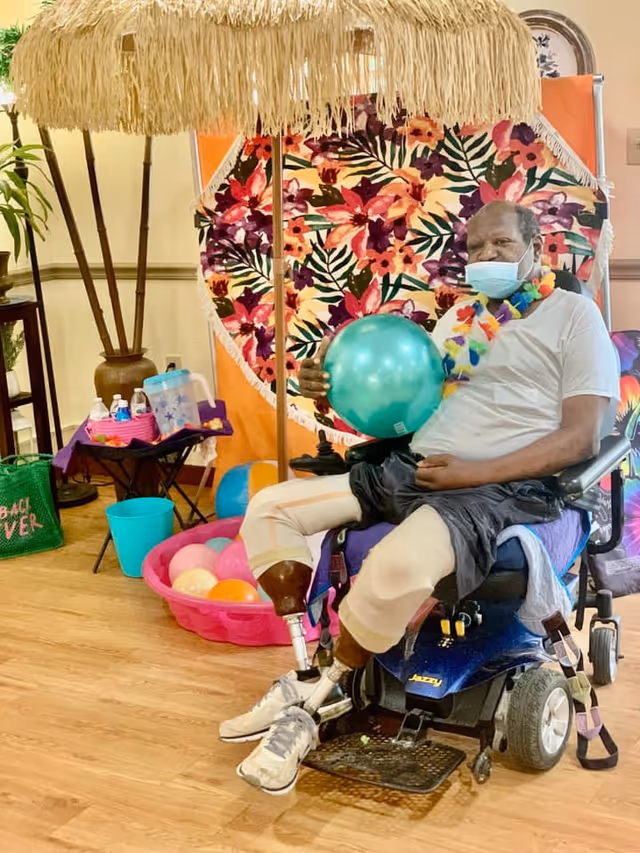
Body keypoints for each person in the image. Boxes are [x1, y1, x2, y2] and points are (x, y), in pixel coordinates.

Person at [219, 200, 619, 795]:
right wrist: (327, 390)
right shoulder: (457, 320)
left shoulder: (573, 317)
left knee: (395, 565)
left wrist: (470, 473)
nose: (486, 258)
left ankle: (308, 712)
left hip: (497, 487)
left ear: (536, 250)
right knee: (270, 508)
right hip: (417, 466)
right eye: (477, 248)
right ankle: (302, 673)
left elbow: (582, 434)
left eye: (501, 246)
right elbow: (406, 412)